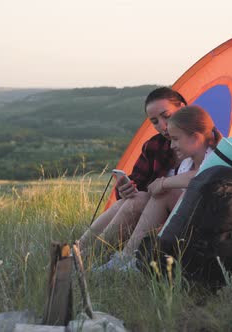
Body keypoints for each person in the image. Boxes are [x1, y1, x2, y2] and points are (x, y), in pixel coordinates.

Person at [97, 105, 223, 271]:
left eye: (176, 139)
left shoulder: (219, 158)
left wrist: (164, 183)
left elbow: (204, 176)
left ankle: (129, 260)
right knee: (136, 199)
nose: (171, 146)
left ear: (195, 137)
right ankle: (89, 251)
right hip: (181, 226)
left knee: (165, 194)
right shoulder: (186, 163)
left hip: (205, 234)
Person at [78, 87, 187, 255]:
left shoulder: (203, 141)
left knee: (141, 199)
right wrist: (125, 189)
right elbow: (136, 182)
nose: (163, 126)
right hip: (152, 218)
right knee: (130, 200)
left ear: (182, 108)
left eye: (167, 116)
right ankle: (77, 250)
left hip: (186, 221)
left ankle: (92, 256)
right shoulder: (155, 146)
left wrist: (164, 184)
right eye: (155, 121)